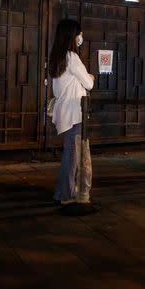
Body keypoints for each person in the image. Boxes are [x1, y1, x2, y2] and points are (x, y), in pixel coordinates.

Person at [49, 19, 96, 215]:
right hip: (75, 114)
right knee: (73, 157)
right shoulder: (72, 58)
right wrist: (91, 77)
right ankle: (66, 195)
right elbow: (89, 83)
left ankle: (69, 191)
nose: (81, 37)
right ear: (72, 36)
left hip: (65, 113)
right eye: (79, 33)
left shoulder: (57, 57)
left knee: (72, 155)